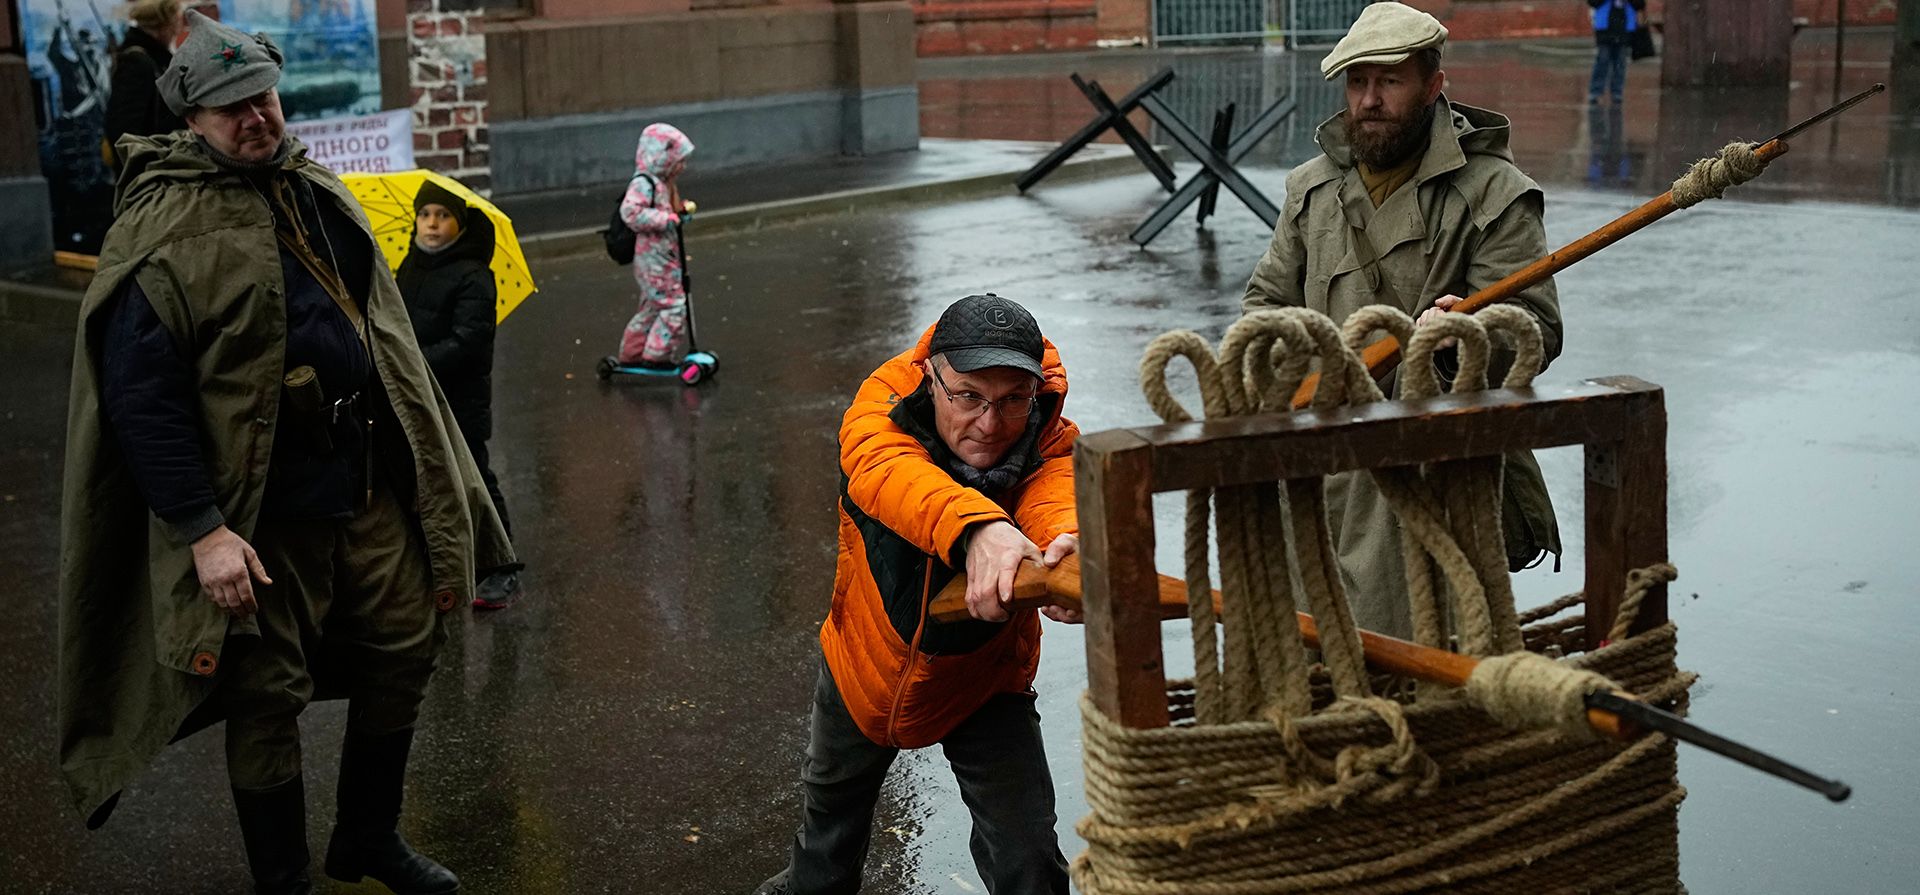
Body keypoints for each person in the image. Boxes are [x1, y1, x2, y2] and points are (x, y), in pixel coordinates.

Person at [59, 10, 510, 894]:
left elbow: (384, 336)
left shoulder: (314, 188)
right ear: (192, 119)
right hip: (261, 514)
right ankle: (283, 879)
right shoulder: (161, 227)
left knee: (406, 646)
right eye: (232, 109)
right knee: (266, 695)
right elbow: (141, 402)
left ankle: (367, 839)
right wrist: (202, 528)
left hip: (365, 481)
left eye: (263, 98)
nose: (256, 118)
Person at [1242, 1, 1563, 639]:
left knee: (1416, 652)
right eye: (1358, 83)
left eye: (1390, 81)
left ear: (1433, 87)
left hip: (1427, 465)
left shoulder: (1493, 192)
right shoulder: (1311, 190)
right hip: (1316, 452)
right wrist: (1295, 375)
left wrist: (1460, 341)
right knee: (1305, 648)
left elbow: (1535, 324)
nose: (1370, 100)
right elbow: (1263, 306)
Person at [756, 294, 1083, 895]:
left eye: (1012, 400)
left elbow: (1056, 498)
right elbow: (892, 474)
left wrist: (1069, 549)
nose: (989, 424)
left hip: (984, 674)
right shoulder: (876, 419)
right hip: (862, 664)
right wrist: (980, 529)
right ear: (931, 377)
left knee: (1029, 860)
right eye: (968, 398)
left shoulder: (1050, 435)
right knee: (824, 855)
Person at [397, 181, 523, 609]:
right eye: (425, 214)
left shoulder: (474, 275)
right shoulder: (409, 265)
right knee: (423, 478)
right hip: (417, 393)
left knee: (473, 480)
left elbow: (468, 340)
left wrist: (416, 363)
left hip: (458, 398)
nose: (432, 224)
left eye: (443, 216)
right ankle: (441, 563)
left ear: (460, 225)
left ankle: (501, 567)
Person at [615, 122, 695, 369]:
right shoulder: (644, 183)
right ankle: (656, 354)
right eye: (678, 161)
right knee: (673, 306)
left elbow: (663, 212)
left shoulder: (663, 185)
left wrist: (678, 213)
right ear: (661, 157)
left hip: (664, 255)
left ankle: (632, 352)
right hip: (653, 258)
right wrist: (665, 219)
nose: (682, 166)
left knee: (652, 307)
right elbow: (631, 212)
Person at [104, 0, 189, 161]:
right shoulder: (138, 62)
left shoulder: (153, 59)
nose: (177, 31)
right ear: (164, 24)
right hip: (152, 168)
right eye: (176, 23)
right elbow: (124, 129)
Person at [1588, 0, 1647, 106]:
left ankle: (1617, 92)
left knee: (1620, 62)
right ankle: (1596, 91)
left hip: (1624, 28)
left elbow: (1640, 4)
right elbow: (1593, 2)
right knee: (1602, 60)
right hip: (1605, 27)